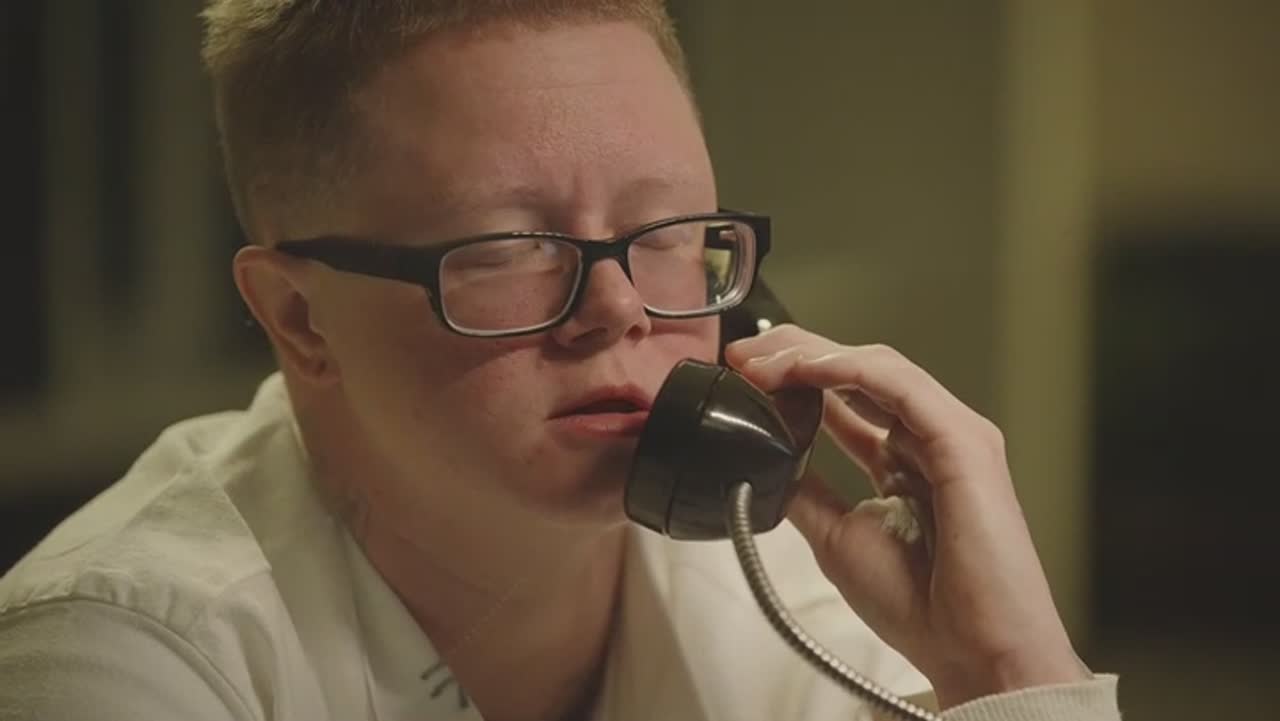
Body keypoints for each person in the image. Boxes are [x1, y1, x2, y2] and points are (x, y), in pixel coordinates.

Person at [0, 2, 1121, 720]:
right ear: (299, 317)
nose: (619, 310)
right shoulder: (121, 663)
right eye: (511, 247)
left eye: (667, 232)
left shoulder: (781, 585)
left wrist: (1005, 668)